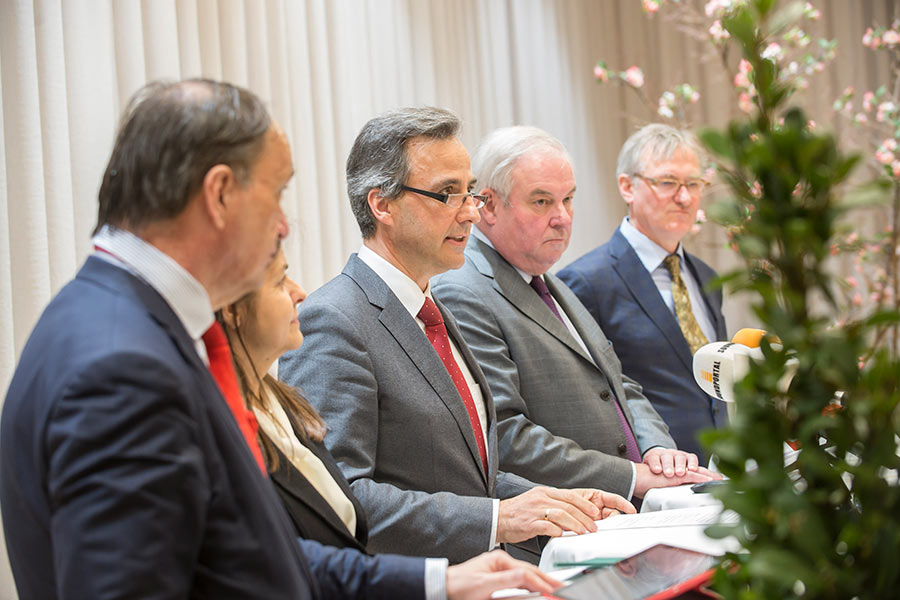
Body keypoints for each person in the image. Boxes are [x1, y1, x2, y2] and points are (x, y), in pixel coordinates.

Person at [0, 79, 562, 600]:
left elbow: (247, 554)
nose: (284, 225)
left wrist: (437, 581)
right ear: (219, 194)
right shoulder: (120, 362)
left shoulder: (129, 321)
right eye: (277, 193)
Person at [280, 107, 635, 566]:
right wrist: (498, 519)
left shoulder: (434, 308)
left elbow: (463, 475)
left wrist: (554, 501)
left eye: (469, 192)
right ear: (381, 205)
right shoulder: (334, 319)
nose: (470, 212)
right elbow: (338, 499)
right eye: (448, 194)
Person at [432, 125, 717, 504]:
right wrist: (633, 476)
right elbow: (505, 435)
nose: (562, 217)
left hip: (631, 509)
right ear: (489, 205)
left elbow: (617, 383)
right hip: (559, 528)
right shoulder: (463, 290)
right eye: (541, 202)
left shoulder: (547, 279)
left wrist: (656, 450)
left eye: (568, 199)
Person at [558, 123, 727, 461]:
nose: (684, 197)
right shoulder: (584, 282)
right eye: (668, 182)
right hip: (649, 482)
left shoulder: (706, 277)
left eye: (693, 184)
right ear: (627, 187)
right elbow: (589, 398)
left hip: (719, 474)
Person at [218, 248, 368, 552]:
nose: (299, 292)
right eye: (279, 282)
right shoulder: (224, 425)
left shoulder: (286, 403)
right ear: (232, 308)